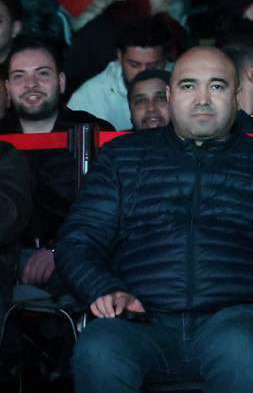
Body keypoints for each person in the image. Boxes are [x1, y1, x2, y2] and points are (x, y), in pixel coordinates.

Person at [58, 47, 253, 393]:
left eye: (216, 86)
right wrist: (103, 288)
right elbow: (79, 239)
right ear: (170, 95)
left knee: (242, 355)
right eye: (189, 86)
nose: (202, 99)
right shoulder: (122, 158)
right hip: (136, 317)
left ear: (236, 96)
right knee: (98, 351)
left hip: (233, 319)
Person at [2, 35, 112, 295]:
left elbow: (108, 212)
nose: (31, 84)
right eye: (19, 76)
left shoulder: (95, 132)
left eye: (42, 73)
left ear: (61, 82)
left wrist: (57, 250)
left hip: (77, 257)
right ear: (7, 88)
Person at [65, 23, 167, 130]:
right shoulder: (88, 96)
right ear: (119, 56)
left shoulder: (177, 85)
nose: (143, 72)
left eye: (152, 66)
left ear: (165, 61)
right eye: (134, 65)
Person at [126, 67, 171, 131]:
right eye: (140, 101)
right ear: (131, 112)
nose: (151, 108)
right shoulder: (117, 137)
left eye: (161, 99)